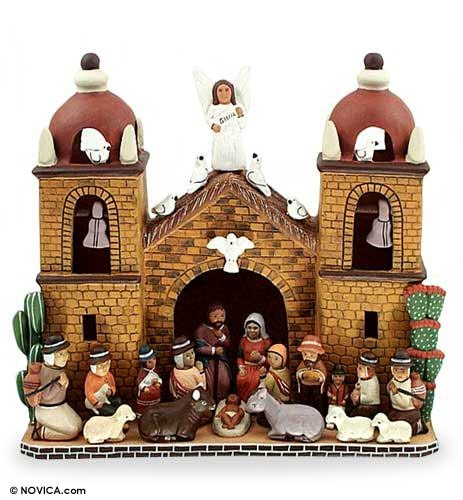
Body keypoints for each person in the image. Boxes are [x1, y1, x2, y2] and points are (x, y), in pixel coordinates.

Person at [34, 334, 82, 440]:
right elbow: (46, 396)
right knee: (72, 431)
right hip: (47, 410)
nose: (65, 357)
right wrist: (59, 384)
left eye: (66, 353)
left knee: (79, 425)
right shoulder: (46, 371)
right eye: (60, 354)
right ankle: (41, 432)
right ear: (50, 356)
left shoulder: (58, 368)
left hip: (60, 405)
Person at [194, 304, 232, 402]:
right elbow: (199, 348)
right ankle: (210, 402)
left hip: (221, 361)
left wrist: (221, 336)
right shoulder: (201, 330)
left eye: (222, 316)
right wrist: (213, 350)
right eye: (215, 316)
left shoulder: (224, 328)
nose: (219, 319)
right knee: (209, 383)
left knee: (224, 381)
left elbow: (228, 343)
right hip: (208, 362)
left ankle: (222, 401)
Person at [208, 79, 247, 171]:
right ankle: (219, 169)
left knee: (236, 155)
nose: (224, 93)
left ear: (232, 92)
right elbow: (209, 119)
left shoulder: (237, 107)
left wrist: (240, 115)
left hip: (234, 137)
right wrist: (213, 125)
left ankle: (238, 168)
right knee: (221, 153)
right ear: (215, 93)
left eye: (226, 90)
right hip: (221, 137)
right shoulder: (213, 108)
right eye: (220, 90)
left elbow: (242, 125)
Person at [387, 349, 428, 434]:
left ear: (408, 371)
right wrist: (389, 387)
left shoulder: (406, 384)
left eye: (403, 370)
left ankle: (418, 426)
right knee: (391, 419)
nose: (399, 374)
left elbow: (404, 404)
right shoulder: (394, 380)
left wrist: (395, 393)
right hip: (396, 409)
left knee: (404, 426)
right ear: (392, 370)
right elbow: (388, 390)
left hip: (408, 410)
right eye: (396, 370)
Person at [236, 313, 272, 401]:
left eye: (255, 328)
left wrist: (261, 359)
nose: (252, 330)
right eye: (249, 328)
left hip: (260, 368)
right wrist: (241, 367)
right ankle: (244, 401)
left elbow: (271, 360)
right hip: (246, 367)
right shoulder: (243, 341)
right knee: (241, 379)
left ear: (261, 329)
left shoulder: (266, 342)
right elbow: (239, 357)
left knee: (257, 381)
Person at [84, 344, 123, 416]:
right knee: (110, 410)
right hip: (97, 402)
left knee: (118, 401)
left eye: (106, 364)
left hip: (106, 398)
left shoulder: (109, 375)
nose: (104, 368)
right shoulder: (90, 378)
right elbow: (89, 393)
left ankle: (120, 416)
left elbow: (113, 386)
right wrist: (95, 403)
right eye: (100, 366)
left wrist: (111, 391)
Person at [296, 335, 328, 414]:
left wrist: (318, 377)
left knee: (316, 401)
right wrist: (302, 375)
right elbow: (298, 371)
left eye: (312, 355)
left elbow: (323, 374)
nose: (308, 357)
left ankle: (317, 414)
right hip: (304, 386)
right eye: (305, 354)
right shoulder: (303, 363)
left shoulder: (319, 364)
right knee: (304, 400)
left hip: (316, 387)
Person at [348, 351, 380, 418]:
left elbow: (370, 398)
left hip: (370, 406)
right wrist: (355, 393)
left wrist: (359, 397)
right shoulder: (361, 378)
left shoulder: (372, 382)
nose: (357, 369)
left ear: (369, 371)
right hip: (360, 403)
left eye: (360, 368)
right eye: (358, 367)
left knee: (360, 413)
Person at [135, 344, 162, 418]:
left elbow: (159, 378)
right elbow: (140, 382)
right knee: (145, 408)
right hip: (146, 394)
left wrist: (159, 382)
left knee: (155, 407)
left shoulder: (155, 370)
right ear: (144, 363)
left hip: (155, 394)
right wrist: (144, 388)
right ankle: (142, 415)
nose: (153, 362)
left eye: (154, 359)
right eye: (150, 362)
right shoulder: (142, 373)